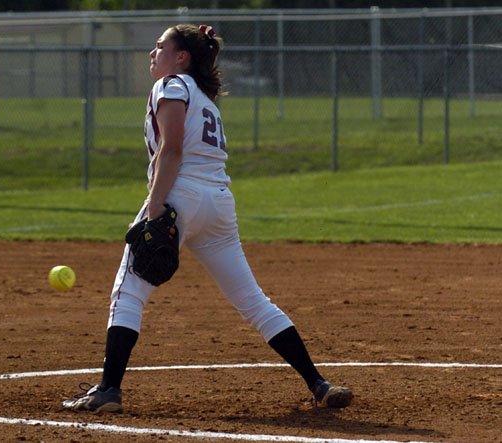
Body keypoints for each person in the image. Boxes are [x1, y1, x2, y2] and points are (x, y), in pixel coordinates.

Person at [63, 24, 353, 413]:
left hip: (179, 197)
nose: (153, 53)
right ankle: (319, 384)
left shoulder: (171, 85)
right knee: (253, 301)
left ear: (182, 57)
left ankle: (108, 391)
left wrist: (154, 209)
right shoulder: (204, 96)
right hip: (219, 203)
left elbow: (172, 150)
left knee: (127, 293)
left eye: (160, 46)